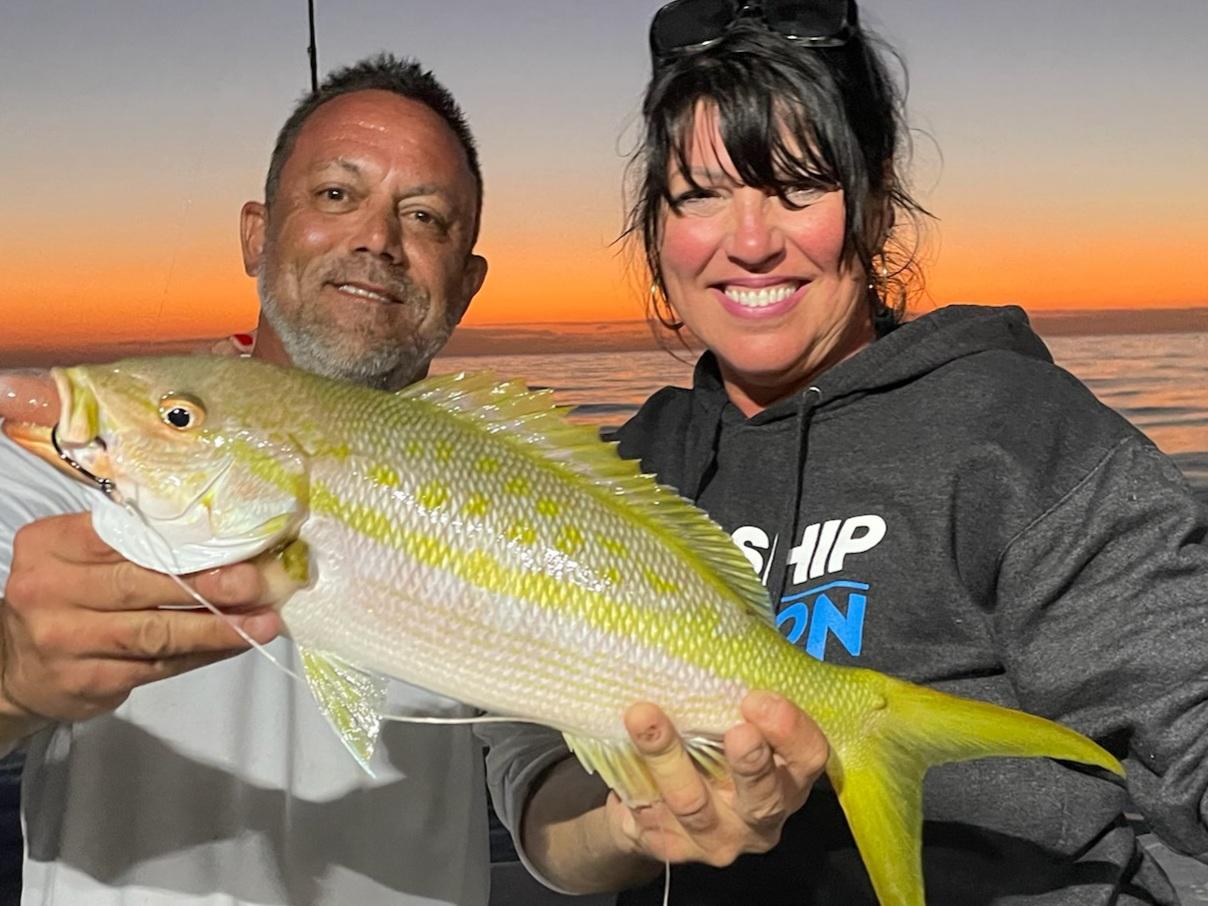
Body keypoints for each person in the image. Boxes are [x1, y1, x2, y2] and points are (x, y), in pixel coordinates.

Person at [0, 51, 827, 905]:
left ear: (465, 283)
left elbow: (546, 814)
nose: (376, 238)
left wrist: (636, 821)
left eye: (426, 217)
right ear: (257, 232)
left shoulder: (505, 489)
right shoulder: (83, 471)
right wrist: (13, 676)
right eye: (334, 195)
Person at [487, 1, 1208, 904]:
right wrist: (628, 827)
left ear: (870, 200)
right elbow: (540, 801)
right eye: (701, 194)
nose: (750, 242)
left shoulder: (1013, 429)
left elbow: (1185, 699)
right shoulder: (621, 470)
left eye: (800, 185)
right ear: (656, 227)